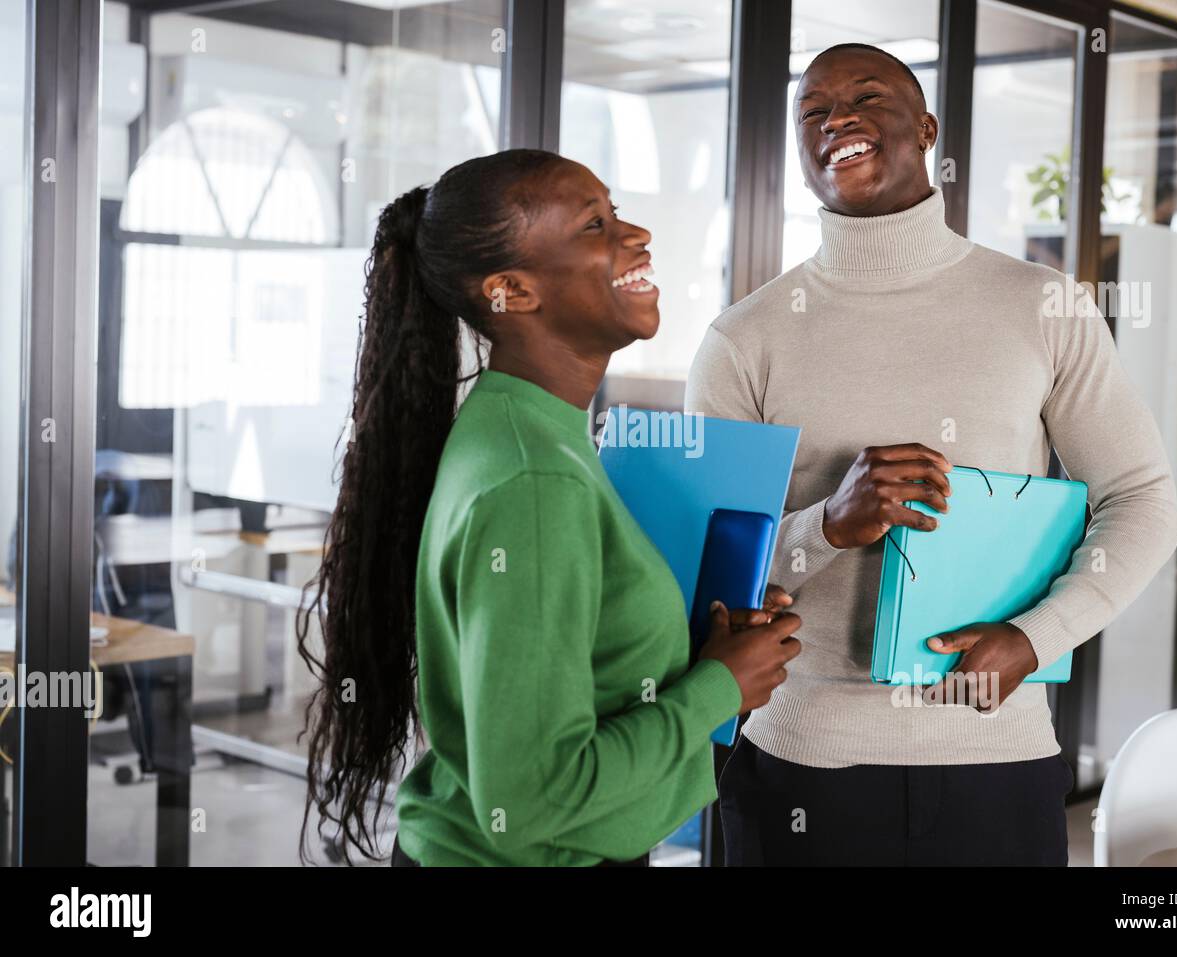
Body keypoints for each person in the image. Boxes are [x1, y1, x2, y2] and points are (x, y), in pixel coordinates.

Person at [686, 44, 1177, 866]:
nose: (836, 118)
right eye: (813, 111)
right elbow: (704, 576)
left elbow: (1142, 498)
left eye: (865, 97)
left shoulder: (1042, 305)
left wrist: (1035, 638)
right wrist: (827, 526)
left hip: (998, 764)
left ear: (926, 128)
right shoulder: (744, 338)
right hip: (801, 770)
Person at [298, 149, 802, 866]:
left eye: (616, 210)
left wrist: (707, 656)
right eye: (595, 225)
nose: (637, 236)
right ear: (511, 290)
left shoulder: (528, 427)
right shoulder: (536, 478)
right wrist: (720, 686)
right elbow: (531, 800)